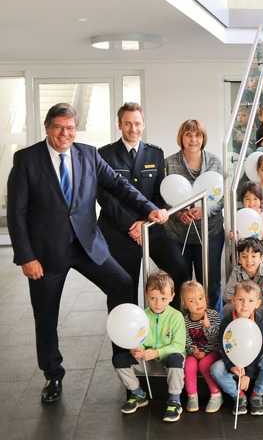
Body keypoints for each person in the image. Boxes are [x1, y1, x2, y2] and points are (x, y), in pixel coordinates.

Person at [7, 102, 168, 404]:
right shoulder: (27, 160)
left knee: (121, 284)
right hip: (45, 254)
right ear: (48, 128)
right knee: (46, 315)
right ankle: (53, 374)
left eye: (70, 127)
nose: (65, 133)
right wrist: (26, 256)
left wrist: (150, 209)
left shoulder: (88, 154)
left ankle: (122, 355)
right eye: (59, 127)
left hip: (86, 245)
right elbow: (16, 214)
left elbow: (119, 186)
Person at [97, 102, 187, 305]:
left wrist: (143, 223)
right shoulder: (105, 154)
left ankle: (165, 322)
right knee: (123, 286)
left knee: (179, 267)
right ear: (119, 125)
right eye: (127, 124)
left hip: (150, 226)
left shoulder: (155, 153)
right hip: (119, 230)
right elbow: (104, 197)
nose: (133, 129)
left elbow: (158, 193)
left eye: (137, 123)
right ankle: (124, 336)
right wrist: (131, 224)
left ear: (143, 124)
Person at [164, 119, 224, 309]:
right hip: (177, 235)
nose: (193, 139)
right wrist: (178, 213)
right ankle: (181, 328)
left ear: (203, 138)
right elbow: (163, 195)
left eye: (197, 134)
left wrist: (204, 210)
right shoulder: (169, 163)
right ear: (181, 137)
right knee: (180, 284)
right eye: (188, 134)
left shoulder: (214, 162)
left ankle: (211, 326)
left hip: (210, 234)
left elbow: (221, 197)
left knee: (210, 284)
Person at [113, 271, 186, 422]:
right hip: (145, 357)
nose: (158, 303)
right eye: (153, 298)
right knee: (119, 359)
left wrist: (157, 352)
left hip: (167, 357)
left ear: (172, 296)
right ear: (146, 295)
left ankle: (174, 399)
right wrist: (135, 347)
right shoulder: (141, 315)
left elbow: (179, 345)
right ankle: (138, 393)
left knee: (176, 359)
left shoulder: (176, 316)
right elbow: (137, 338)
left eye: (163, 298)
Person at [210, 281, 263, 416]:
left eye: (250, 301)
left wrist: (248, 374)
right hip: (232, 357)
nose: (245, 304)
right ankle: (238, 395)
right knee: (216, 369)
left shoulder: (260, 320)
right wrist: (231, 365)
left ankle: (257, 395)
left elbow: (259, 347)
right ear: (233, 300)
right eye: (240, 299)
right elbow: (224, 346)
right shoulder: (227, 320)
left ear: (257, 304)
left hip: (255, 358)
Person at [180, 280, 223, 414]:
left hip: (212, 351)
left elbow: (217, 339)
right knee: (189, 364)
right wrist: (193, 350)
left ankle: (216, 394)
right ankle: (192, 395)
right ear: (185, 304)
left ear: (206, 298)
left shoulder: (213, 316)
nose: (198, 303)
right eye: (192, 301)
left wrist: (207, 327)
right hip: (195, 352)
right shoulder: (185, 321)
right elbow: (186, 340)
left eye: (200, 298)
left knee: (204, 364)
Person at [223, 238, 263, 312]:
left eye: (253, 256)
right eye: (244, 257)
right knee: (227, 308)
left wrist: (249, 306)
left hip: (259, 305)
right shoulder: (236, 271)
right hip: (240, 304)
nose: (249, 260)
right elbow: (228, 296)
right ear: (239, 259)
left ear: (261, 258)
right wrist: (242, 304)